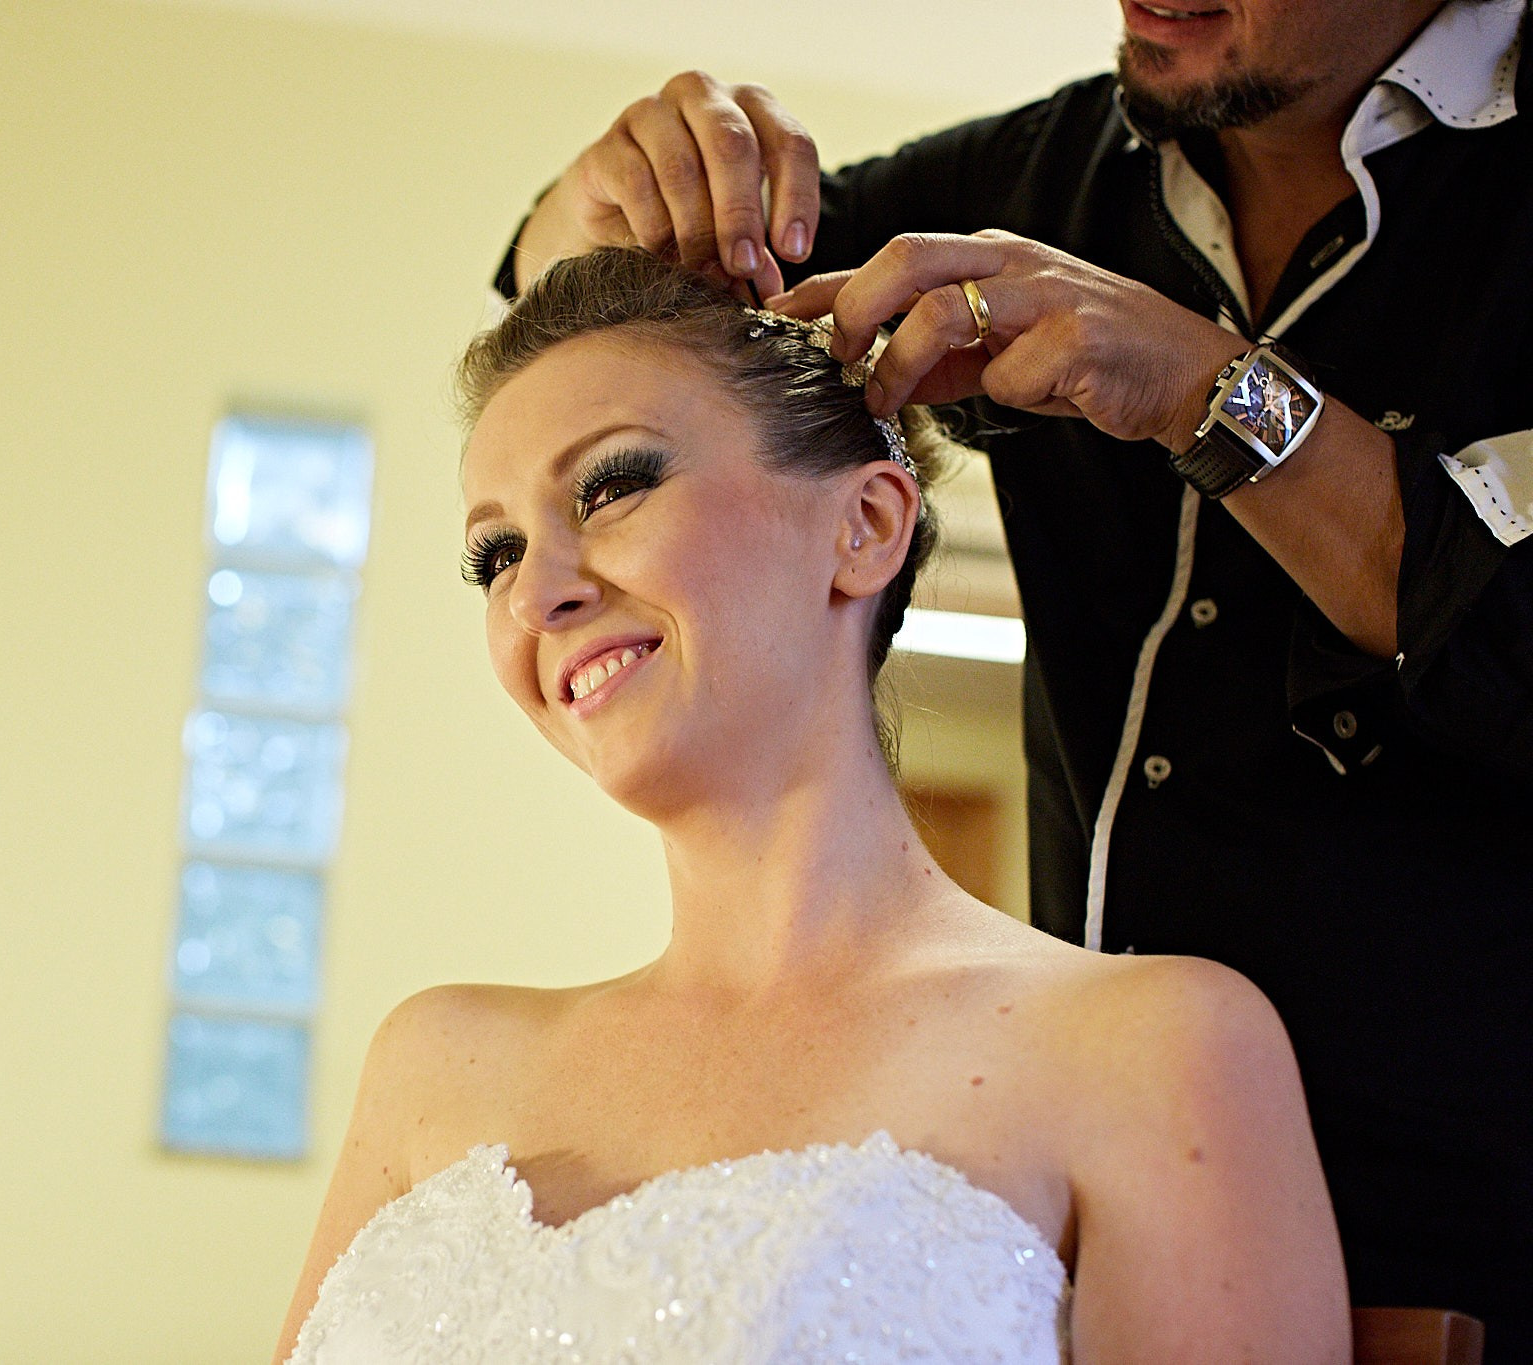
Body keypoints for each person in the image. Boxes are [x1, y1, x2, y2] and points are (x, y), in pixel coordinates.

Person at [498, 0, 1533, 1349]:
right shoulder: (1046, 182)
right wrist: (591, 206)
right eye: (492, 554)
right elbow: (614, 317)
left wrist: (1210, 391)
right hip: (1062, 1248)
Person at [273, 246, 1348, 1363]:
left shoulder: (1152, 1046)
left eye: (612, 486)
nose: (537, 592)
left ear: (864, 528)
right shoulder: (430, 1065)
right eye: (494, 553)